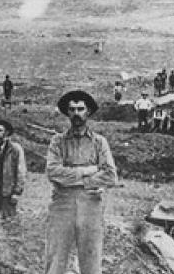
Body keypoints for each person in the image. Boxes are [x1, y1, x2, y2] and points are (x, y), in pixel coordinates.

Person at [44, 90, 118, 274]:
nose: (76, 113)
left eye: (80, 109)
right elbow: (53, 172)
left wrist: (75, 180)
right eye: (72, 109)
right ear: (67, 113)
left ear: (88, 112)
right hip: (62, 205)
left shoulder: (100, 142)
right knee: (55, 260)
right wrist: (89, 171)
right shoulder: (57, 142)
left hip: (91, 205)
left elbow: (110, 176)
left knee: (91, 262)